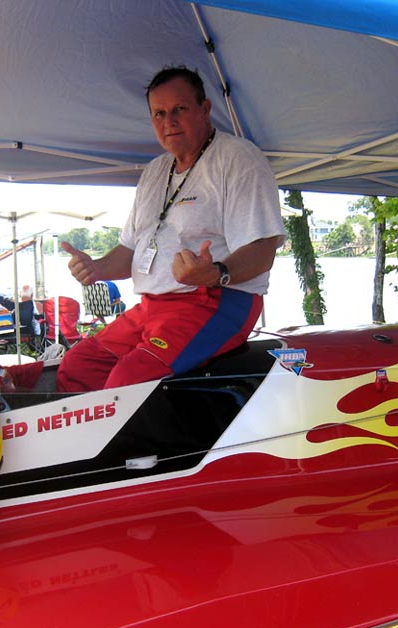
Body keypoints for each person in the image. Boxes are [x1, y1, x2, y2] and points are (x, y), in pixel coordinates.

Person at [56, 65, 285, 393]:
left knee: (128, 382)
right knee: (80, 366)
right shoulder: (155, 171)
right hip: (153, 306)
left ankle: (138, 446)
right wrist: (97, 267)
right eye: (159, 113)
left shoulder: (238, 159)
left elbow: (262, 250)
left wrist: (216, 272)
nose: (169, 122)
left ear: (205, 109)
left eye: (179, 109)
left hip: (217, 299)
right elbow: (131, 250)